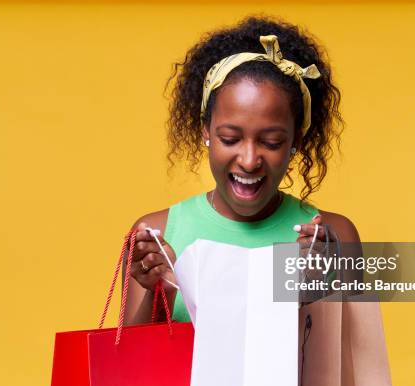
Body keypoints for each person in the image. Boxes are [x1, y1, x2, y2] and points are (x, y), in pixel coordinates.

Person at [123, 16, 360, 325]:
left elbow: (350, 362)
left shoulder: (335, 237)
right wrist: (160, 294)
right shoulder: (158, 233)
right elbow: (129, 367)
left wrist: (311, 288)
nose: (249, 160)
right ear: (206, 131)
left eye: (272, 141)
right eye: (230, 139)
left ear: (295, 141)